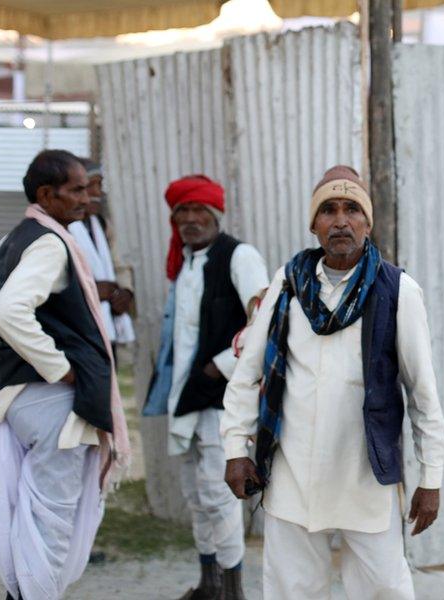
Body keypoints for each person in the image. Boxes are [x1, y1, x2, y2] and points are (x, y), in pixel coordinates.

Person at [220, 165, 444, 600]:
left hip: (365, 476)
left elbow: (423, 395)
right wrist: (235, 448)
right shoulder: (287, 282)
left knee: (385, 590)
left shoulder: (398, 290)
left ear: (367, 222)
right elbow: (248, 373)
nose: (341, 221)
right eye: (328, 210)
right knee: (292, 591)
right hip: (292, 475)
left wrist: (431, 477)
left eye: (351, 209)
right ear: (314, 224)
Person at [0, 149, 131, 600]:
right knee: (50, 528)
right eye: (77, 189)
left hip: (27, 402)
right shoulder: (49, 242)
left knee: (31, 523)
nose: (87, 198)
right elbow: (5, 310)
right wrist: (56, 368)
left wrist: (6, 368)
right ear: (46, 194)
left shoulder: (19, 236)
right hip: (56, 408)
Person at [141, 174, 269, 600]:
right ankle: (209, 584)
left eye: (200, 211)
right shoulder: (186, 263)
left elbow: (265, 321)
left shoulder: (239, 256)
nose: (191, 220)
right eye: (183, 213)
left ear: (215, 214)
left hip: (221, 400)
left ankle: (233, 591)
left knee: (220, 496)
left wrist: (219, 367)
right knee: (197, 497)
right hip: (186, 398)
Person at [66, 159, 136, 355]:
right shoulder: (61, 229)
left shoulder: (102, 225)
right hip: (76, 331)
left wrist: (125, 293)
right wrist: (90, 291)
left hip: (106, 324)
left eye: (100, 185)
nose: (98, 193)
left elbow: (119, 265)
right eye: (91, 186)